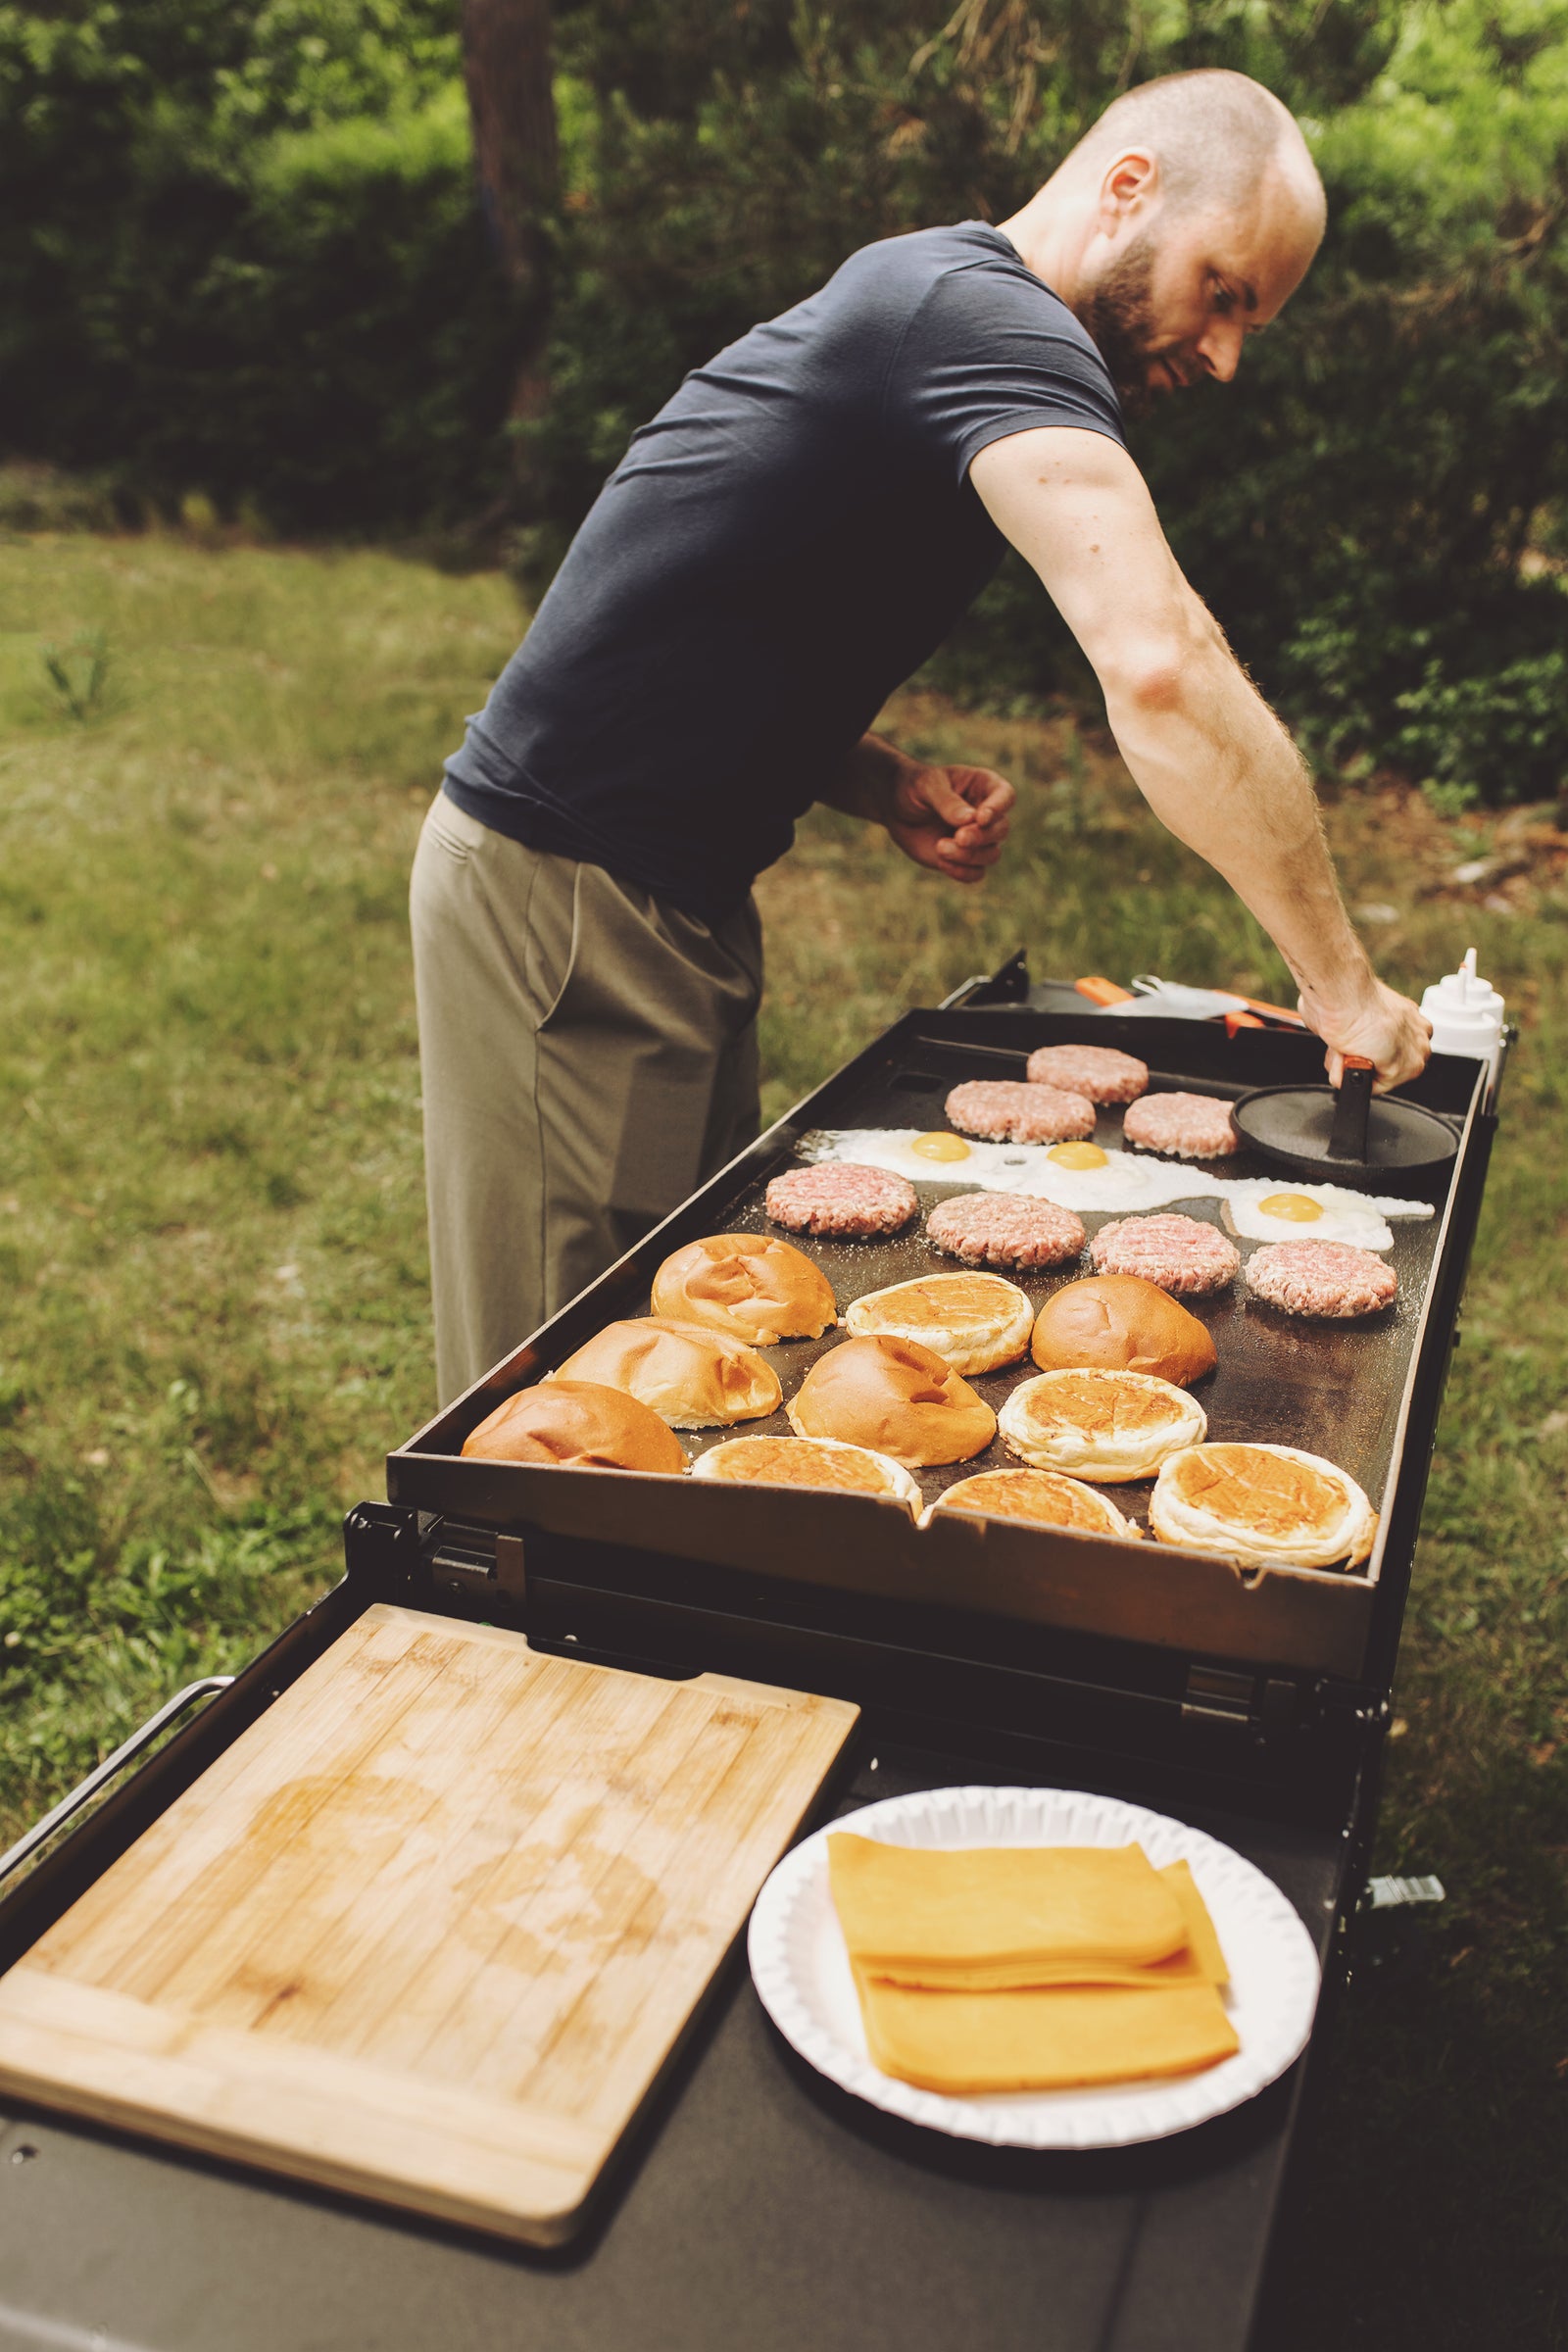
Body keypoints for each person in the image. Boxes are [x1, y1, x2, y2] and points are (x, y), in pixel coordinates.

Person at [412, 66, 1432, 1404]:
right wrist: (1337, 980)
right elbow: (1161, 663)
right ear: (1130, 189)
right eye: (1224, 289)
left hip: (668, 897)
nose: (1227, 351)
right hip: (572, 901)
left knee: (687, 1333)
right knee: (562, 1401)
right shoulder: (983, 319)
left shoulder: (944, 313)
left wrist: (871, 776)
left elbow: (703, 595)